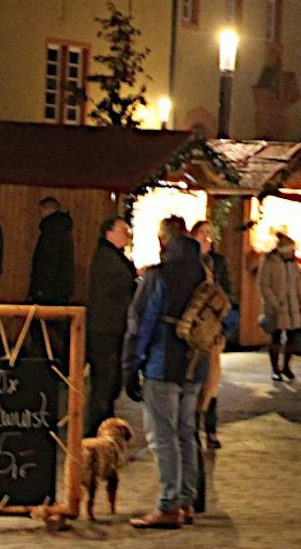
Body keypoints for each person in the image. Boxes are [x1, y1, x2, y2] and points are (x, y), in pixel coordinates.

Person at [123, 230, 208, 530]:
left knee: (163, 436)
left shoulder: (158, 276)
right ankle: (186, 501)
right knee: (186, 432)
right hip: (195, 365)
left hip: (163, 364)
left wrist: (131, 366)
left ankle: (168, 504)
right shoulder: (205, 276)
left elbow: (140, 323)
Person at [85, 216, 136, 436]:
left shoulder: (113, 256)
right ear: (109, 233)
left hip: (112, 327)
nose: (127, 234)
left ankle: (104, 424)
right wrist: (135, 279)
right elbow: (117, 285)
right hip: (105, 329)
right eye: (123, 230)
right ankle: (95, 428)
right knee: (104, 381)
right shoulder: (106, 258)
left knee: (110, 380)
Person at [190, 220, 236, 445]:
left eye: (209, 232)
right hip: (192, 329)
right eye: (202, 232)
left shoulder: (219, 262)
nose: (206, 236)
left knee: (211, 379)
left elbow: (229, 292)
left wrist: (224, 321)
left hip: (212, 328)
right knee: (193, 379)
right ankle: (193, 428)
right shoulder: (189, 261)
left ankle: (210, 428)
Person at [258, 234, 301, 383]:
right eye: (291, 250)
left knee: (292, 337)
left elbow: (296, 284)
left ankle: (286, 367)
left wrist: (300, 302)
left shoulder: (292, 264)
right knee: (276, 337)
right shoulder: (269, 262)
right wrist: (274, 302)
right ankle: (275, 369)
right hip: (277, 307)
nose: (293, 252)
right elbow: (263, 284)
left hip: (292, 306)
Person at [28, 196, 75, 305]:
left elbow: (49, 260)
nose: (40, 214)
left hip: (49, 290)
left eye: (41, 211)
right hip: (60, 288)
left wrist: (40, 287)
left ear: (48, 210)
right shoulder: (62, 229)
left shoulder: (51, 230)